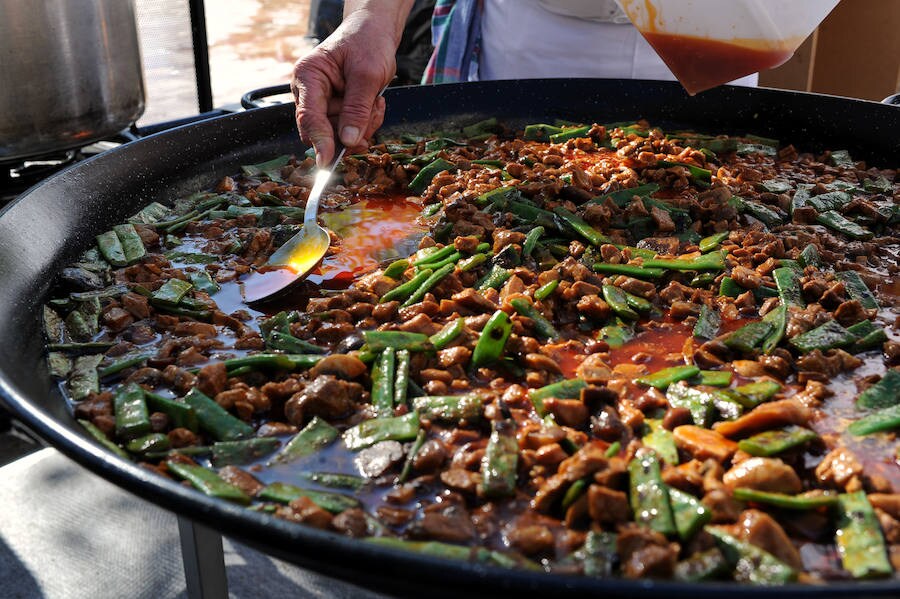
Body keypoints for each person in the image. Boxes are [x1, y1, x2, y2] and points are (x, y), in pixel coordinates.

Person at [291, 0, 758, 166]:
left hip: (724, 23)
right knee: (503, 162)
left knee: (723, 171)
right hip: (536, 27)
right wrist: (372, 16)